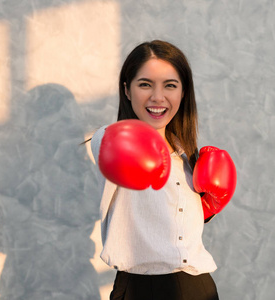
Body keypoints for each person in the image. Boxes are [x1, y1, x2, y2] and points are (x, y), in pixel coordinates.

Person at [90, 40, 236, 300]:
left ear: (183, 92)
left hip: (198, 287)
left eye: (170, 85)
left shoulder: (188, 157)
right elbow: (114, 146)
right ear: (127, 90)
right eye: (145, 84)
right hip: (141, 289)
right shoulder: (111, 140)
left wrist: (207, 207)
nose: (158, 97)